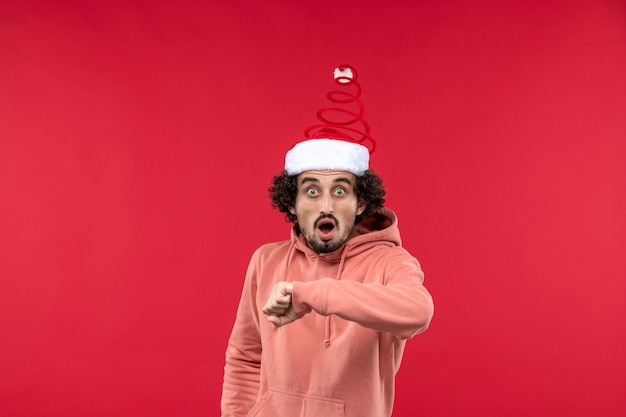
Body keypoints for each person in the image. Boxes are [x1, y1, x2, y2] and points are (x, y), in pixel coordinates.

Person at [221, 65, 434, 417]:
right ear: (292, 202)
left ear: (360, 202)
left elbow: (418, 310)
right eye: (311, 192)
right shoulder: (265, 261)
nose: (325, 205)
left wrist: (314, 295)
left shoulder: (389, 263)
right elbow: (245, 356)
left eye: (339, 191)